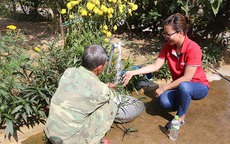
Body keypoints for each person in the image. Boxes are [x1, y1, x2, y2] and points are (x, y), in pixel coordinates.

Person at [122, 13, 210, 129]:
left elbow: (187, 78)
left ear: (180, 33)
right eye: (165, 34)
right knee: (163, 102)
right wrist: (132, 72)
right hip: (180, 87)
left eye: (168, 34)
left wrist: (164, 88)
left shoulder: (193, 48)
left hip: (199, 86)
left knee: (185, 86)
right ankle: (183, 102)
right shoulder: (168, 46)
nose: (166, 37)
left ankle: (180, 118)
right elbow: (155, 65)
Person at [45, 44, 118, 144]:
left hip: (51, 132)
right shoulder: (101, 90)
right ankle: (93, 141)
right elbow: (113, 96)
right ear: (99, 68)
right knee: (111, 105)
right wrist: (107, 88)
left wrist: (102, 87)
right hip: (68, 141)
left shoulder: (69, 72)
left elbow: (83, 89)